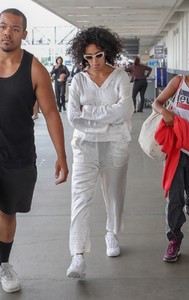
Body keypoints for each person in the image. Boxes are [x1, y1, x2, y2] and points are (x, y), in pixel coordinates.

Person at [0, 8, 69, 293]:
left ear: (24, 34)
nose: (7, 32)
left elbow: (52, 113)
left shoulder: (35, 69)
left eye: (15, 29)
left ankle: (3, 265)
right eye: (3, 26)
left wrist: (62, 156)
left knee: (7, 212)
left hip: (17, 155)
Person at [66, 26, 134, 278]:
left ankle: (111, 234)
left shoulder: (120, 78)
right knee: (80, 199)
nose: (94, 62)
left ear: (108, 53)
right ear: (81, 57)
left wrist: (90, 112)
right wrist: (108, 116)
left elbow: (124, 112)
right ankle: (77, 255)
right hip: (84, 147)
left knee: (114, 196)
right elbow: (74, 117)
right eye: (88, 57)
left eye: (98, 55)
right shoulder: (78, 81)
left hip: (116, 145)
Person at [152, 45, 189, 263]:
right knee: (175, 197)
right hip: (177, 149)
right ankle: (174, 239)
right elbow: (156, 102)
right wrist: (164, 112)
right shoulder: (179, 83)